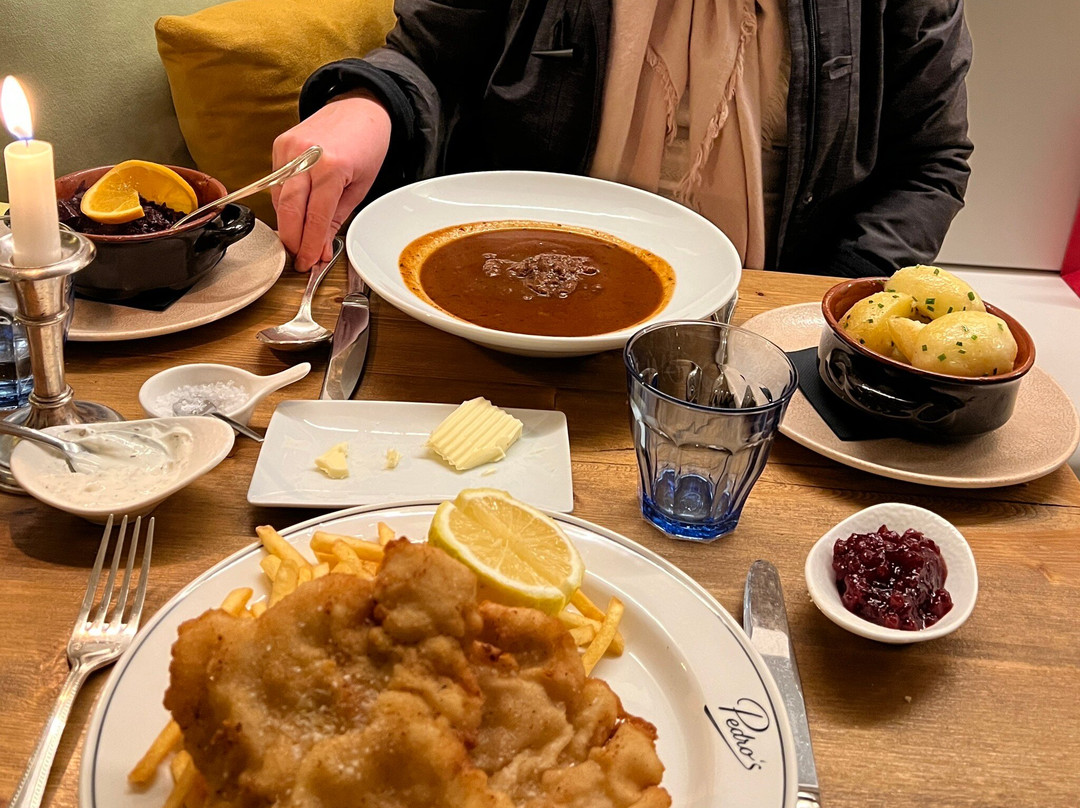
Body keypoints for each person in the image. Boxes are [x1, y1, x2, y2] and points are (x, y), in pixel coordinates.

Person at [272, 0, 973, 279]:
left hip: (762, 340)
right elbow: (426, 58)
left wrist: (820, 307)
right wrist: (366, 102)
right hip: (509, 297)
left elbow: (930, 162)